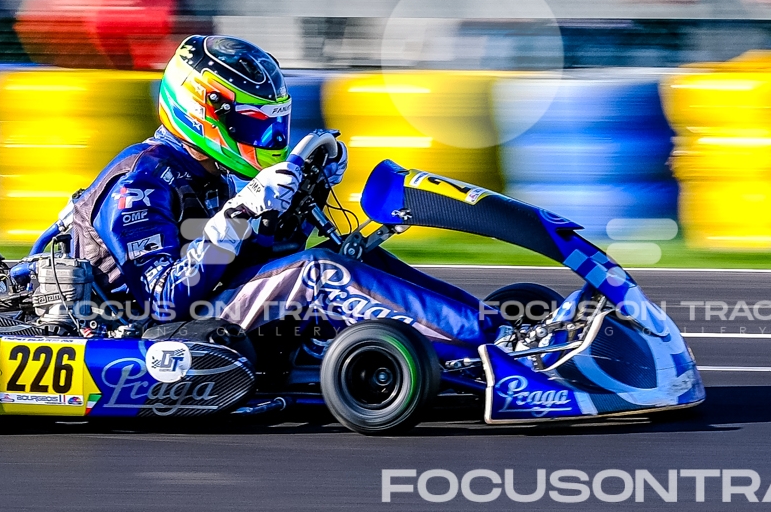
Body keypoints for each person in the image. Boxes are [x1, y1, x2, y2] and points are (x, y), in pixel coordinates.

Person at [58, 34, 482, 347]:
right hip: (146, 330)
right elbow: (164, 300)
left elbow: (256, 260)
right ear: (202, 111)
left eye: (272, 123)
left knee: (352, 255)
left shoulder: (206, 170)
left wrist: (307, 194)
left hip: (203, 309)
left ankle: (487, 324)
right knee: (316, 272)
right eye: (253, 124)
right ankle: (478, 338)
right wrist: (238, 216)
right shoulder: (140, 183)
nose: (267, 138)